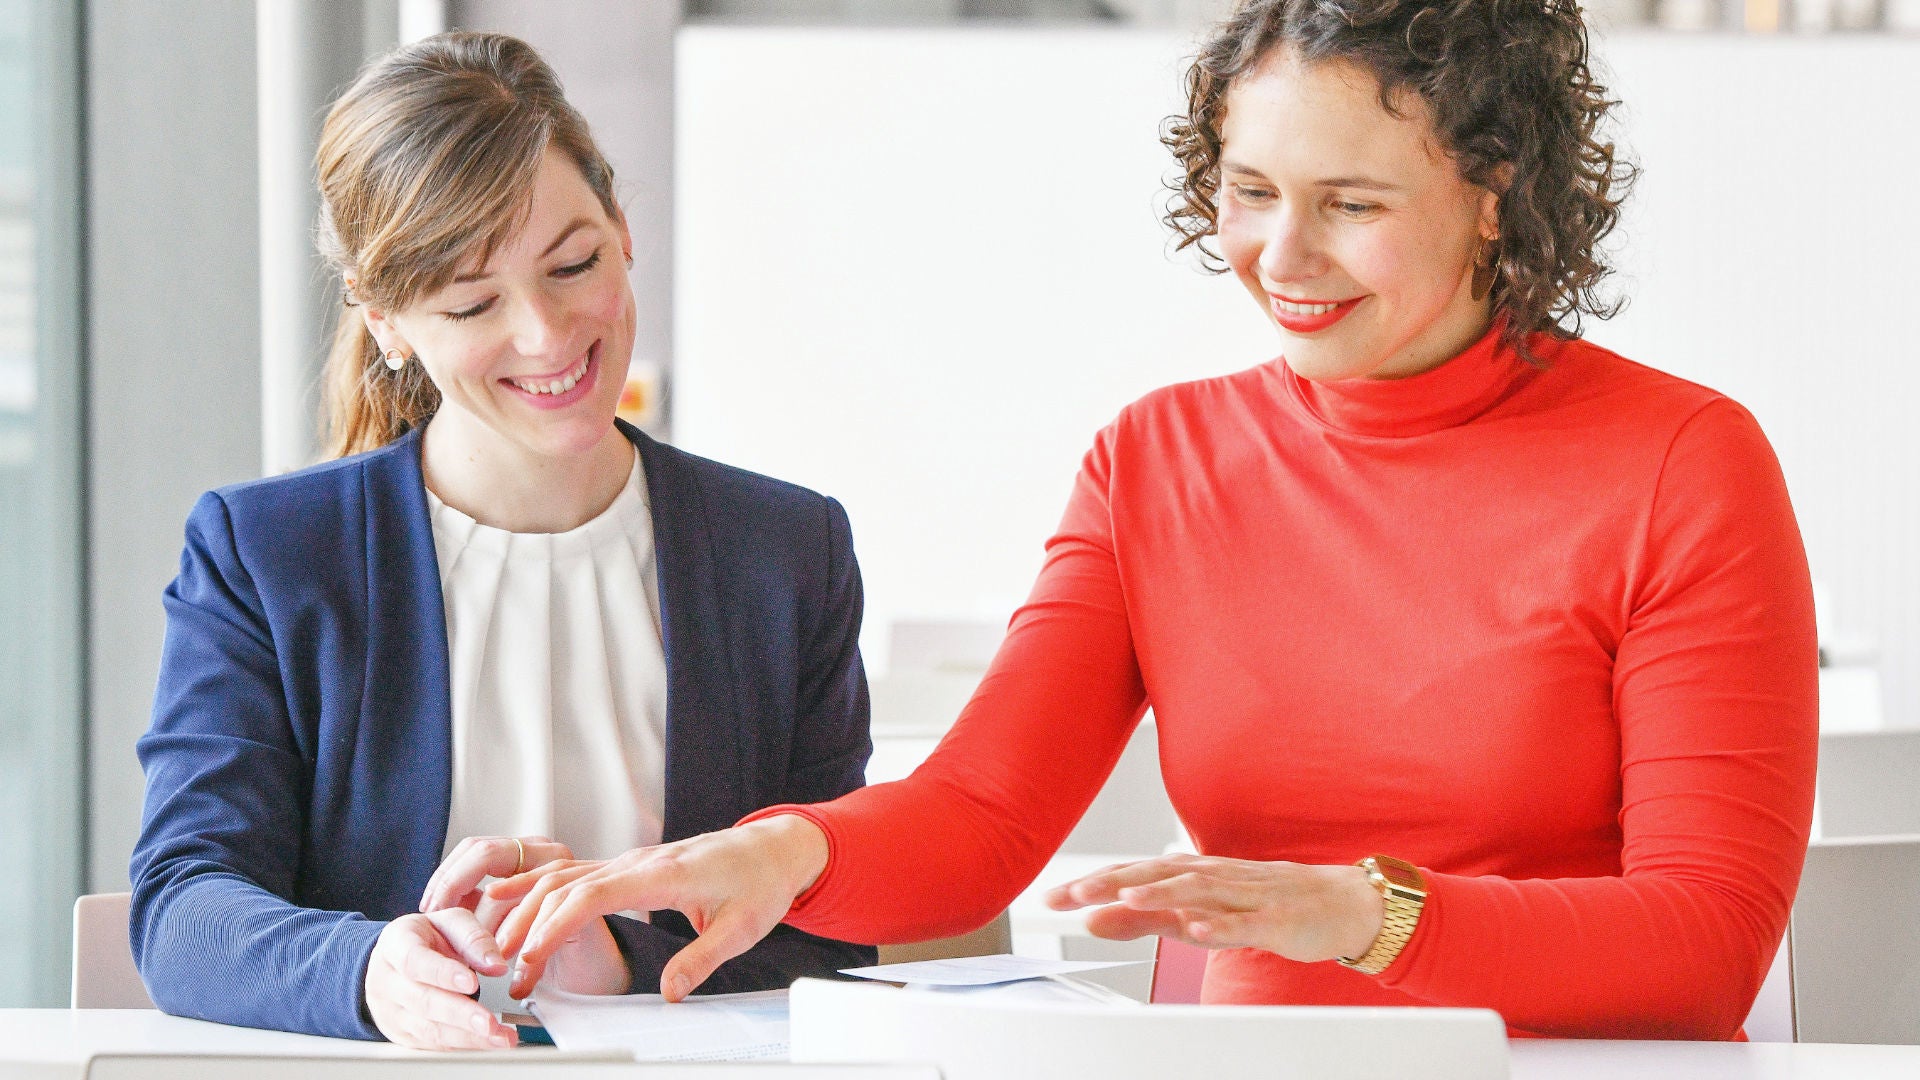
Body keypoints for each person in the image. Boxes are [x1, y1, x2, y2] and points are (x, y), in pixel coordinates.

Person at [496, 0, 1818, 1042]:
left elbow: (1705, 948)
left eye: (1351, 205)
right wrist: (784, 852)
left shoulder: (1682, 464)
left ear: (1495, 191)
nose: (1281, 258)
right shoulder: (1157, 459)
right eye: (1251, 190)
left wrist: (1364, 918)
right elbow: (982, 818)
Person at [128, 31, 874, 1049]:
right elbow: (183, 909)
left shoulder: (786, 553)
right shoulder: (266, 556)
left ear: (621, 226)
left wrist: (616, 962)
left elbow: (834, 929)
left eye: (573, 263)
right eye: (474, 302)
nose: (546, 335)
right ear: (387, 323)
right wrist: (368, 970)